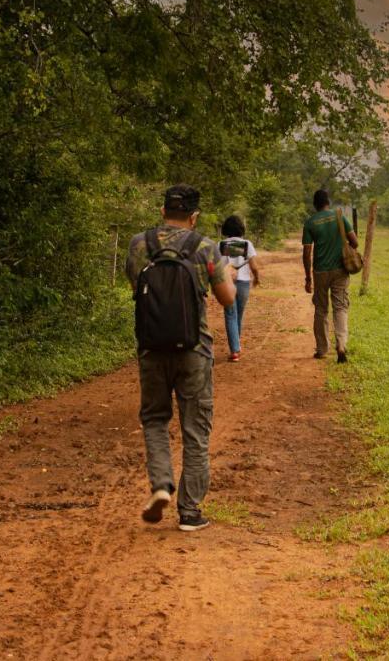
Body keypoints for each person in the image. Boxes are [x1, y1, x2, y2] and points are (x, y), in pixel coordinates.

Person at [125, 184, 235, 532]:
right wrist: (225, 275)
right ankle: (190, 512)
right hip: (194, 351)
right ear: (194, 215)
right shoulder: (205, 248)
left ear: (162, 211)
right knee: (195, 429)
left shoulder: (139, 244)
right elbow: (228, 299)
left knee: (155, 419)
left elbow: (136, 288)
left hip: (151, 347)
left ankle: (160, 485)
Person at [302, 189, 358, 363]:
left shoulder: (310, 223)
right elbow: (355, 242)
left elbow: (307, 252)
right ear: (329, 202)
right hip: (340, 270)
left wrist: (308, 278)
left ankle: (322, 349)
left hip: (320, 271)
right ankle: (341, 344)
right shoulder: (339, 216)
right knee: (340, 307)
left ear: (315, 204)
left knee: (321, 309)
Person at [218, 215, 261, 363]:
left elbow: (218, 267)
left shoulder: (221, 245)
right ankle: (236, 347)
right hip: (243, 283)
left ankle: (235, 350)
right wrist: (257, 278)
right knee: (238, 315)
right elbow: (254, 266)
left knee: (230, 314)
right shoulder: (247, 244)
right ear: (240, 228)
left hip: (227, 283)